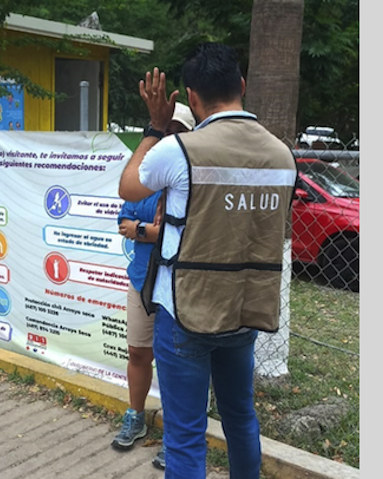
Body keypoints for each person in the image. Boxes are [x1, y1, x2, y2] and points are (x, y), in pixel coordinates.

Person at [118, 43, 297, 479]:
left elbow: (128, 188)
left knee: (185, 435)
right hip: (244, 311)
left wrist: (155, 127)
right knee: (240, 419)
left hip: (186, 314)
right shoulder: (282, 157)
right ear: (242, 85)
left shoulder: (180, 150)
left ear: (192, 98)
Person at [110, 103, 195, 471]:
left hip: (180, 285)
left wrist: (145, 231)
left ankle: (174, 437)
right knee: (138, 354)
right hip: (142, 280)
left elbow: (191, 234)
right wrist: (154, 232)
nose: (171, 136)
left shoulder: (194, 180)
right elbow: (123, 219)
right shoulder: (146, 179)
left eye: (179, 129)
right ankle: (136, 415)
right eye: (165, 129)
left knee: (180, 365)